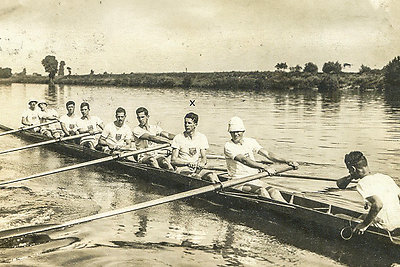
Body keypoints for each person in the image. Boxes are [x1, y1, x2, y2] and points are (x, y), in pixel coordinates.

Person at [224, 116, 298, 201]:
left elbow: (268, 154)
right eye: (232, 132)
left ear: (243, 131)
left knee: (274, 191)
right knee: (262, 191)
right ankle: (278, 212)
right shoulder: (228, 146)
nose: (235, 134)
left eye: (238, 131)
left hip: (254, 179)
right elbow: (244, 160)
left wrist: (286, 161)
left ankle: (287, 209)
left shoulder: (250, 141)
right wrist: (264, 167)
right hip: (237, 182)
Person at [337, 151, 400, 234]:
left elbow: (378, 204)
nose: (349, 173)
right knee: (364, 216)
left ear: (353, 169)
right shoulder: (385, 177)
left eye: (349, 170)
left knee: (339, 216)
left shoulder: (362, 183)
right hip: (398, 223)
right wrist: (352, 175)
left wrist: (364, 225)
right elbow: (340, 184)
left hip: (386, 227)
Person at [171, 112, 219, 182]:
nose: (186, 125)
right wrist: (187, 163)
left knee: (213, 176)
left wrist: (202, 163)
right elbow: (173, 160)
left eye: (189, 123)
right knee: (196, 177)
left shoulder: (202, 137)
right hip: (182, 169)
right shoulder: (178, 138)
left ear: (195, 125)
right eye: (185, 123)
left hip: (196, 169)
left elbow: (203, 158)